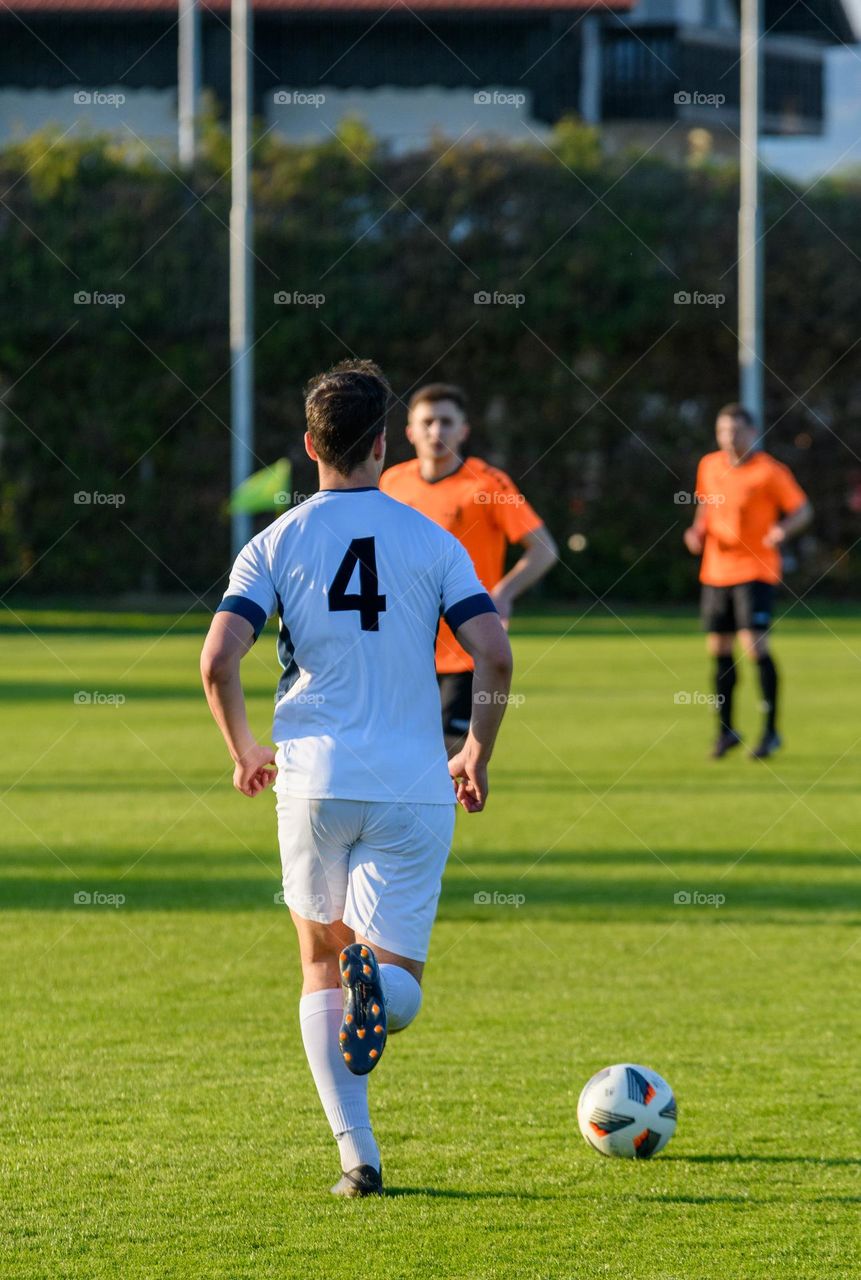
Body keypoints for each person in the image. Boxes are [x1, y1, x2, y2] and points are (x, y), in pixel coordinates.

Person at [200, 360, 513, 1197]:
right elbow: (493, 653)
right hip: (412, 781)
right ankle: (384, 990)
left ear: (309, 446)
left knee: (319, 964)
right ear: (382, 445)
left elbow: (217, 660)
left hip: (312, 781)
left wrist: (245, 749)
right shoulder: (432, 539)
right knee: (394, 983)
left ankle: (357, 1158)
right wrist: (476, 751)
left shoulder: (273, 541)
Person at [380, 382, 556, 751]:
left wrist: (503, 593)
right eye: (427, 422)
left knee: (450, 753)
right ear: (410, 432)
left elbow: (543, 550)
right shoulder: (391, 482)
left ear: (463, 430)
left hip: (466, 646)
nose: (436, 431)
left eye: (446, 422)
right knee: (400, 750)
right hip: (404, 646)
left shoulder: (487, 484)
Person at [683, 403, 812, 760]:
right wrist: (697, 530)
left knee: (754, 645)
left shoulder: (769, 471)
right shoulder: (709, 465)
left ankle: (770, 731)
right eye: (723, 431)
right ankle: (726, 731)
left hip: (755, 569)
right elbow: (706, 505)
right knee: (719, 648)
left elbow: (802, 510)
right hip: (716, 570)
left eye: (736, 431)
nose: (729, 438)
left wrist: (782, 529)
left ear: (752, 433)